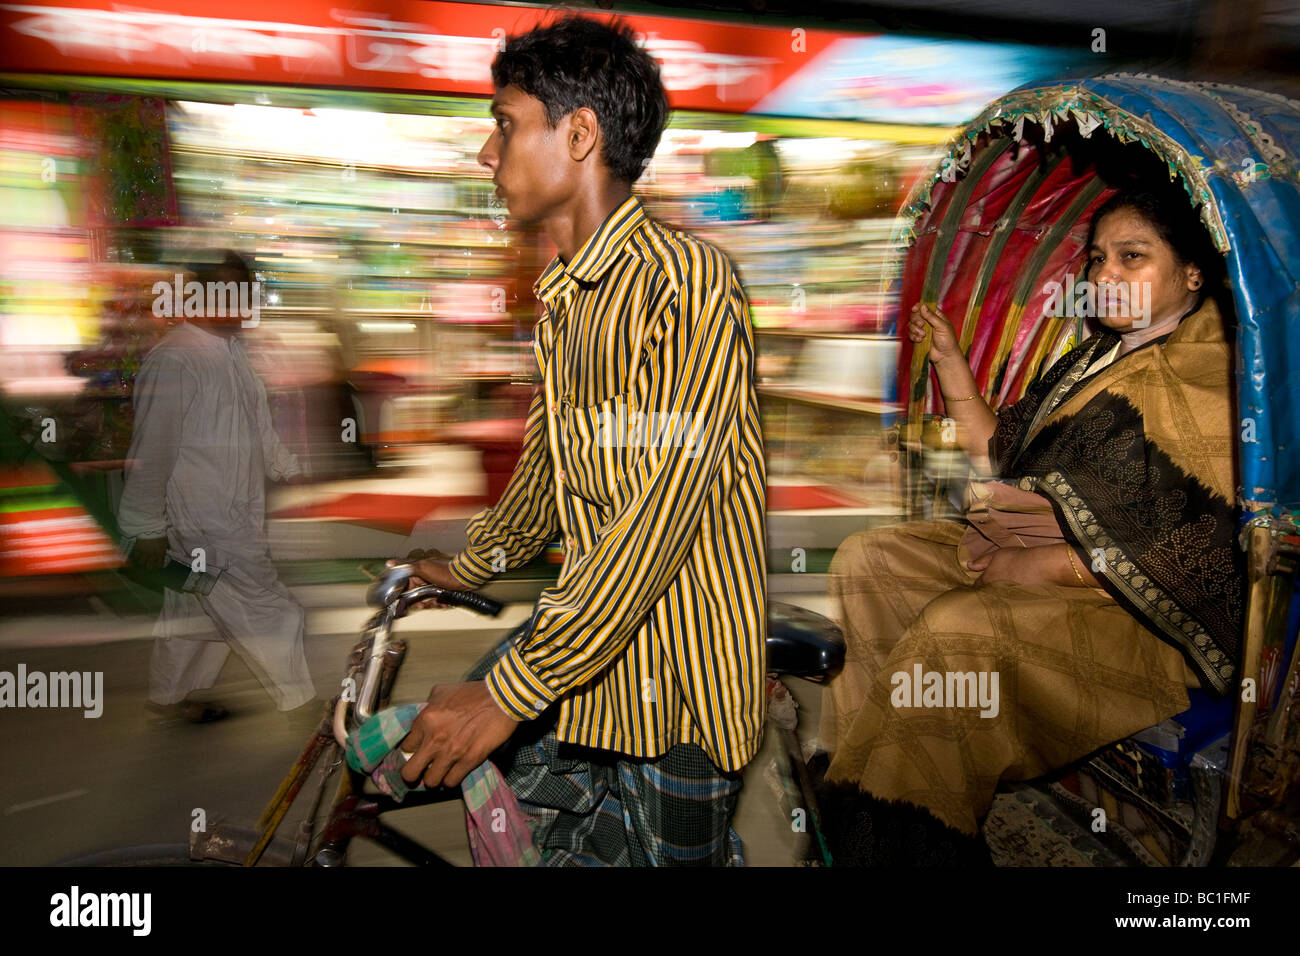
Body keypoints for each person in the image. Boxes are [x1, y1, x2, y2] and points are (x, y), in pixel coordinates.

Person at [395, 16, 767, 866]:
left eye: (504, 123)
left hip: (680, 688)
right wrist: (474, 564)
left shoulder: (685, 284)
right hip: (593, 659)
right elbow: (547, 469)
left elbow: (657, 516)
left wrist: (508, 691)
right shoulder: (568, 296)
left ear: (580, 134)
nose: (485, 154)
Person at [815, 186, 1244, 865]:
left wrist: (1038, 567)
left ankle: (909, 830)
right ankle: (872, 776)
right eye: (1098, 259)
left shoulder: (1208, 375)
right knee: (871, 559)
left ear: (1193, 273)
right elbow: (1000, 452)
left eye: (1132, 258)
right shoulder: (1095, 357)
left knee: (957, 627)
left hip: (1137, 613)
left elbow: (1195, 549)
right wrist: (953, 361)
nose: (1106, 277)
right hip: (1022, 552)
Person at [118, 250, 318, 726]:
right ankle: (305, 705)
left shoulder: (230, 352)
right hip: (205, 517)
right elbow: (153, 448)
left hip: (233, 507)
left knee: (194, 607)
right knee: (267, 604)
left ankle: (169, 698)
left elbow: (257, 424)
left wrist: (288, 468)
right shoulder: (176, 360)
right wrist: (146, 526)